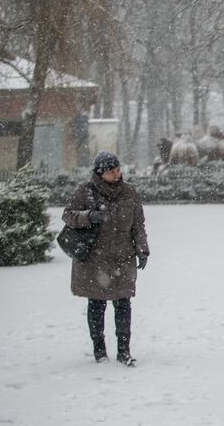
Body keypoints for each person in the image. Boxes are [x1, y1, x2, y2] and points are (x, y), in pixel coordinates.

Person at [62, 151, 149, 366]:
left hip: (122, 258)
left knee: (123, 304)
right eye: (112, 171)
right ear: (101, 173)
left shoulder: (129, 193)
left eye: (118, 170)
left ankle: (123, 351)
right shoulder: (86, 191)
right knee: (97, 303)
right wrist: (89, 216)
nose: (117, 174)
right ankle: (99, 350)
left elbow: (138, 225)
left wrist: (143, 250)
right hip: (95, 260)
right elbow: (68, 215)